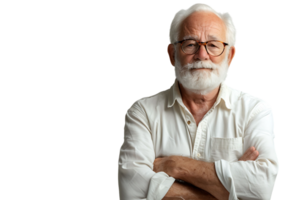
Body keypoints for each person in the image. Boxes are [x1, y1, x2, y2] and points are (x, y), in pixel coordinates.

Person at [117, 3, 280, 200]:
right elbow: (131, 190)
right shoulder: (142, 112)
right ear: (171, 54)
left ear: (230, 56)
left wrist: (176, 166)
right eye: (190, 44)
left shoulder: (256, 110)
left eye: (213, 45)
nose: (202, 55)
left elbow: (262, 188)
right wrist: (226, 190)